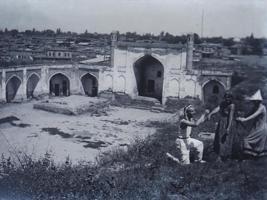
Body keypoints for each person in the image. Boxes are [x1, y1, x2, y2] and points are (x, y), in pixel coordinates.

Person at [236, 90, 267, 158]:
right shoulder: (255, 107)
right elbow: (249, 114)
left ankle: (251, 155)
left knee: (248, 139)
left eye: (255, 101)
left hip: (261, 128)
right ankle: (254, 156)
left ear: (258, 101)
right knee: (255, 142)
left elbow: (254, 116)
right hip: (257, 127)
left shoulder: (261, 108)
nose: (253, 102)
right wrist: (241, 117)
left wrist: (244, 120)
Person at [207, 91, 235, 161]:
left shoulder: (232, 105)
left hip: (228, 123)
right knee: (219, 137)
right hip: (222, 122)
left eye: (229, 97)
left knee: (226, 139)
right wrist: (211, 114)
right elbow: (218, 108)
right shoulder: (223, 103)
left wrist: (228, 127)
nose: (227, 99)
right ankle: (220, 154)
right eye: (226, 97)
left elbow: (230, 117)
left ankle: (225, 156)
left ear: (231, 98)